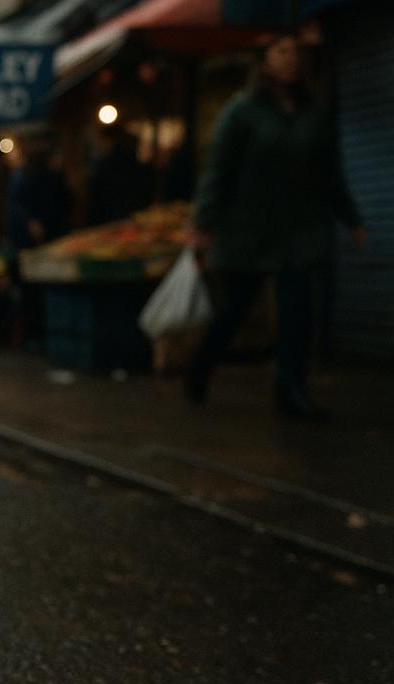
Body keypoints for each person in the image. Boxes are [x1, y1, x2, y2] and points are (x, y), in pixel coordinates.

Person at [186, 32, 364, 418]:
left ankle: (291, 391)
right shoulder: (243, 111)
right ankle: (200, 367)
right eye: (282, 51)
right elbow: (219, 170)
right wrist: (203, 222)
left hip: (298, 230)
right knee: (235, 310)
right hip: (248, 229)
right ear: (265, 60)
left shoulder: (313, 113)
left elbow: (329, 173)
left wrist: (350, 218)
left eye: (297, 52)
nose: (291, 59)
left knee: (298, 315)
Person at [87, 125, 153, 226]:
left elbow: (97, 197)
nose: (101, 145)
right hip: (130, 216)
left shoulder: (107, 165)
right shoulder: (135, 163)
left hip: (111, 219)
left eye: (103, 141)